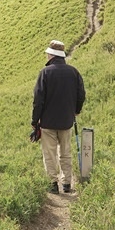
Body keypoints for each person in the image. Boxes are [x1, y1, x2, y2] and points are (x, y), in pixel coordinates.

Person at [31, 39, 85, 194]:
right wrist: (76, 110)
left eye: (48, 54)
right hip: (67, 121)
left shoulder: (45, 73)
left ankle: (53, 184)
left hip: (47, 122)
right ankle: (67, 183)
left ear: (51, 55)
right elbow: (81, 94)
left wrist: (35, 121)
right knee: (66, 152)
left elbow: (38, 100)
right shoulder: (73, 72)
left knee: (49, 154)